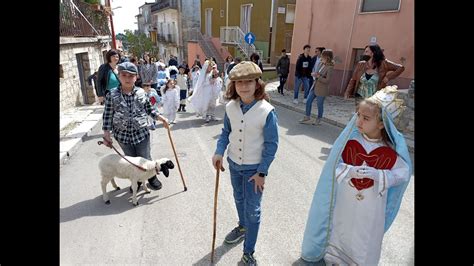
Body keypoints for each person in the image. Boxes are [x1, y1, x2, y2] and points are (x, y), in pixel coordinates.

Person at [300, 85, 412, 265]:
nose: (359, 121)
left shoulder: (389, 151)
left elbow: (403, 174)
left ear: (382, 123)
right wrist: (349, 170)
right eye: (358, 115)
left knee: (364, 237)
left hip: (371, 208)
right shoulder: (349, 142)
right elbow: (332, 169)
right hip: (345, 202)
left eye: (366, 118)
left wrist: (379, 175)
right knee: (341, 228)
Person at [212, 61, 279, 266]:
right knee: (239, 198)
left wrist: (262, 173)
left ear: (257, 83)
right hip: (234, 165)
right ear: (233, 85)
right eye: (239, 82)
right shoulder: (231, 107)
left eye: (248, 81)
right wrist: (219, 152)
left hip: (254, 170)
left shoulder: (267, 111)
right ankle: (242, 227)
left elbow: (272, 144)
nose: (244, 86)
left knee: (253, 210)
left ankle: (248, 252)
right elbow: (225, 133)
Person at [102, 62, 169, 192]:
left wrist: (162, 118)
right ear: (119, 76)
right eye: (124, 75)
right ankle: (136, 181)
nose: (127, 78)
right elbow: (107, 116)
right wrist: (106, 134)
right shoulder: (111, 94)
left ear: (136, 77)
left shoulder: (141, 93)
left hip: (141, 134)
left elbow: (150, 109)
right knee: (130, 160)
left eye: (131, 76)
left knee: (145, 157)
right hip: (122, 136)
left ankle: (152, 177)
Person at [299, 49, 334, 125]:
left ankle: (319, 119)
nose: (321, 57)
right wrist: (315, 74)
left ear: (327, 57)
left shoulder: (330, 67)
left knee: (319, 105)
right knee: (308, 101)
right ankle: (307, 117)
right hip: (314, 86)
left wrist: (318, 76)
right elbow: (318, 73)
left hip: (322, 89)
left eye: (323, 56)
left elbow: (327, 81)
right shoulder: (321, 64)